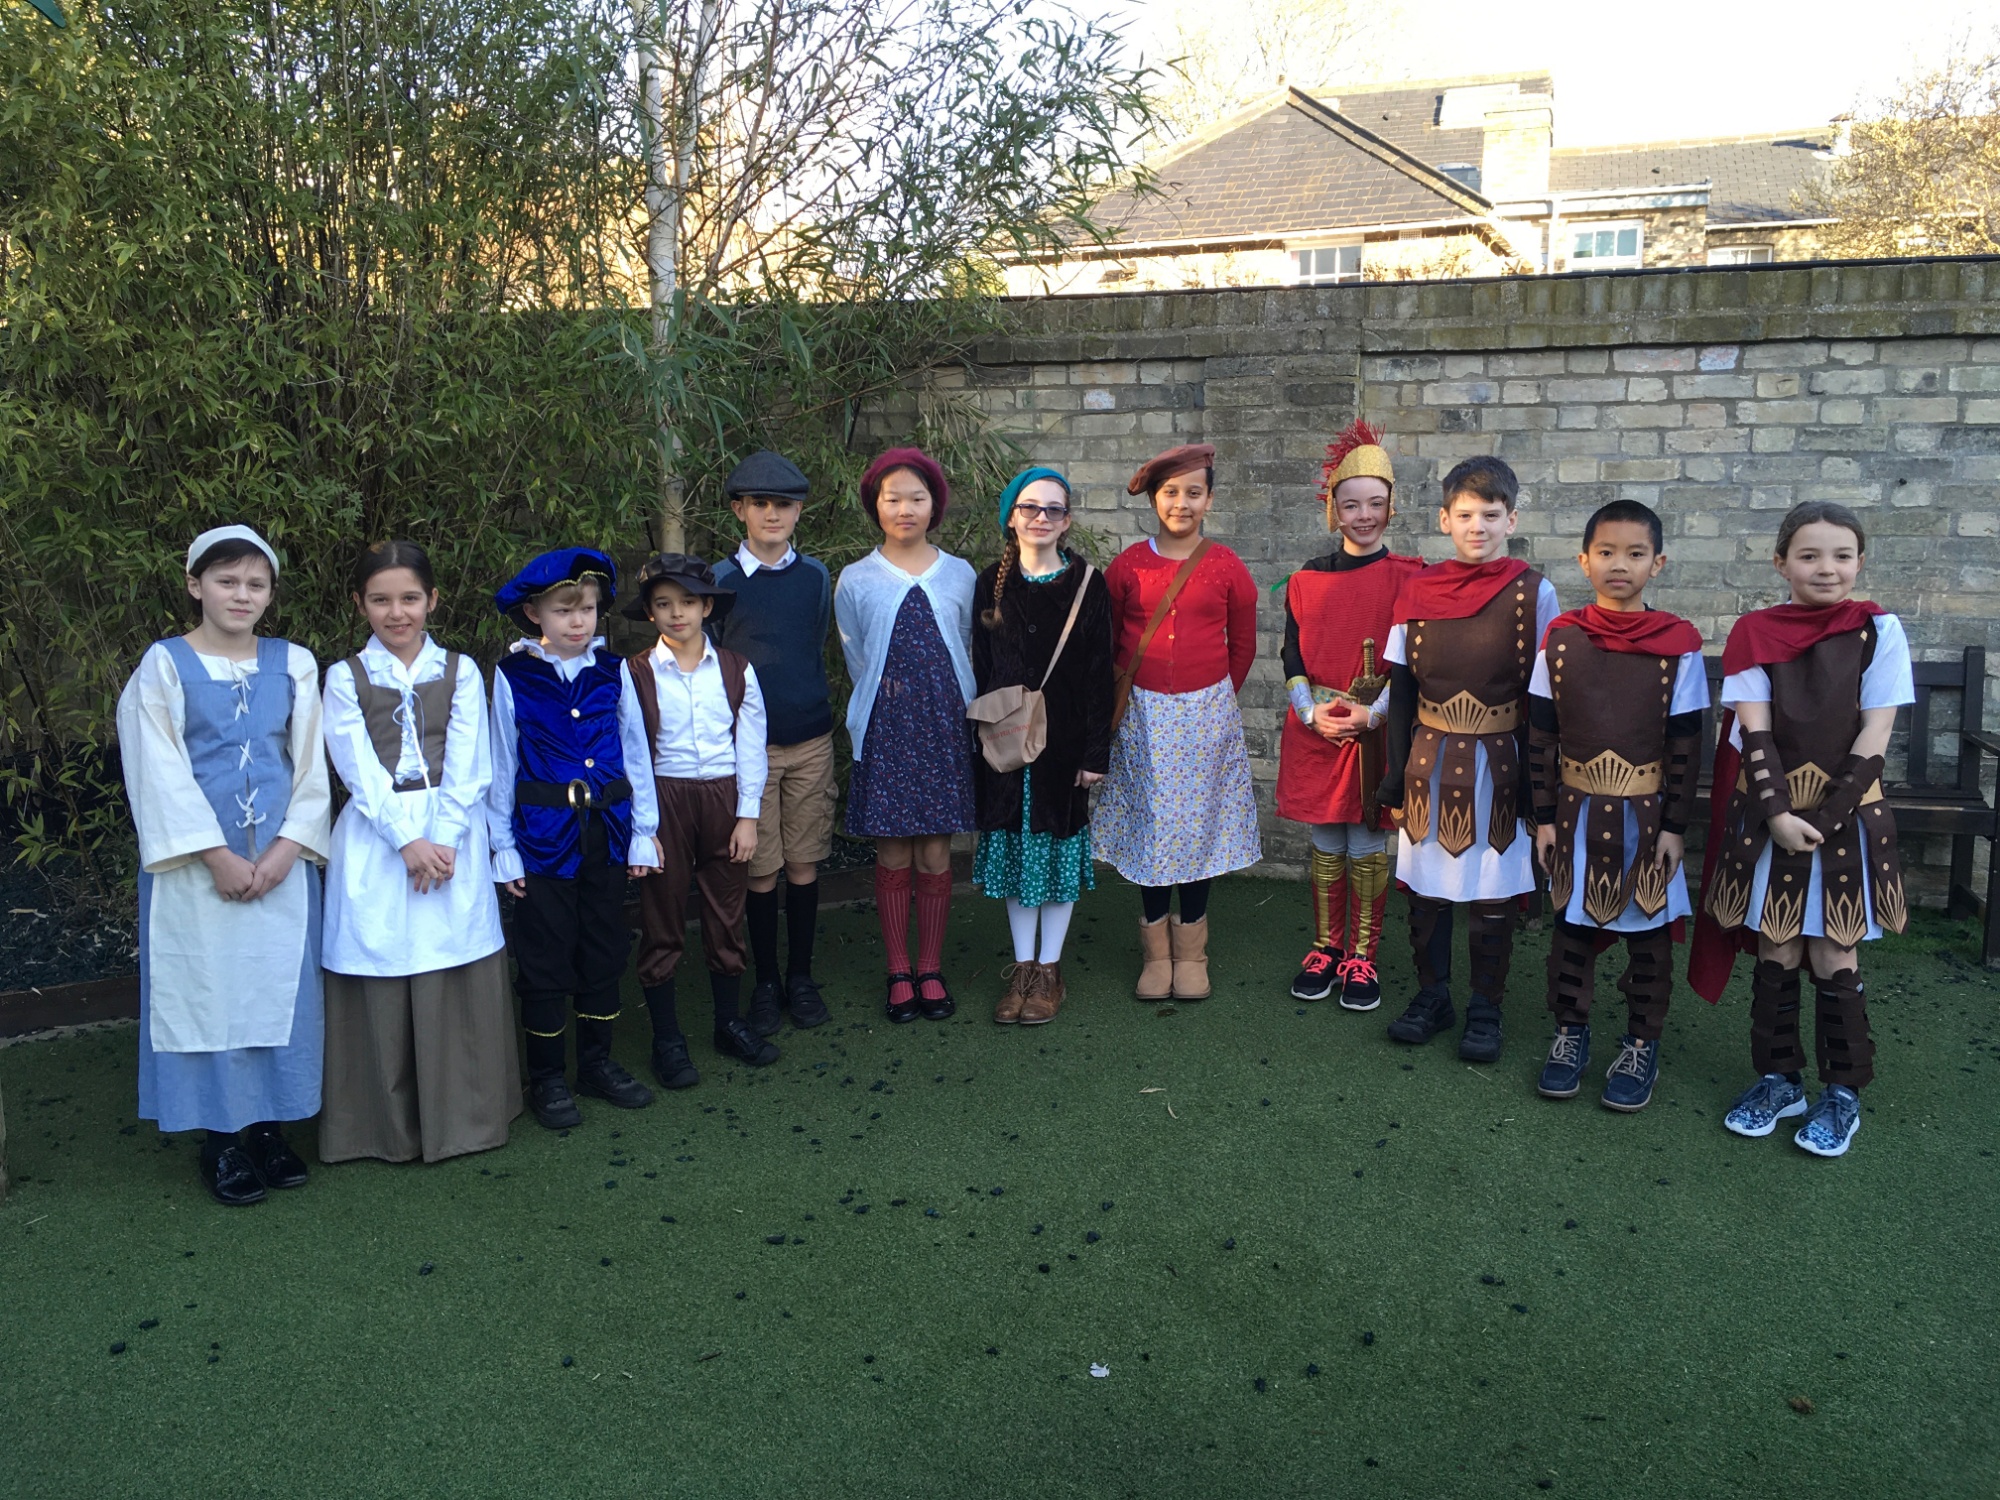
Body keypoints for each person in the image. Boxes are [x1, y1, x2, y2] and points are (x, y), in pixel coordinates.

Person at [117, 525, 331, 1206]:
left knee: (274, 989)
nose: (242, 595)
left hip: (279, 865)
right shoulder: (163, 665)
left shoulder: (294, 662)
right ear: (194, 584)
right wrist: (215, 857)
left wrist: (286, 849)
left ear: (271, 592)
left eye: (256, 583)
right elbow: (157, 769)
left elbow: (310, 764)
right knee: (207, 994)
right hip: (196, 871)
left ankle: (268, 1128)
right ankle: (220, 1141)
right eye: (226, 581)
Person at [1690, 500, 1912, 1158]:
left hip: (1848, 819)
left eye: (1842, 556)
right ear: (1781, 561)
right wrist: (1781, 815)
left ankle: (1841, 1093)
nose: (1827, 568)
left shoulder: (1879, 632)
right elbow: (1754, 732)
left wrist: (1823, 817)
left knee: (1833, 953)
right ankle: (1778, 1080)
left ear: (1860, 563)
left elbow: (1876, 735)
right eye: (1810, 555)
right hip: (1772, 813)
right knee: (1777, 948)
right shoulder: (1756, 632)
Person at [319, 541, 517, 1162]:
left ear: (432, 600)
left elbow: (470, 764)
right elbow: (354, 766)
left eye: (409, 598)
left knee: (450, 950)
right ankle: (383, 1127)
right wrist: (406, 841)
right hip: (379, 838)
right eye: (380, 600)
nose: (396, 612)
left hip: (451, 830)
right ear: (360, 604)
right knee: (382, 953)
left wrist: (447, 839)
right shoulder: (344, 676)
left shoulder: (459, 670)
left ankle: (465, 1115)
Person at [1376, 456, 1560, 1063]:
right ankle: (1434, 996)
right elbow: (1400, 691)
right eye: (1464, 514)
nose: (1476, 525)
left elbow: (1544, 698)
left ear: (1513, 518)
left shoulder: (1536, 591)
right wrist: (1396, 779)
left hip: (1501, 762)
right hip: (1428, 761)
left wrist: (1541, 793)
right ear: (1443, 519)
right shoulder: (1416, 589)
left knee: (1492, 892)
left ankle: (1486, 1004)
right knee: (1426, 890)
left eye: (1490, 514)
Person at [1527, 502, 1708, 1111]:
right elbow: (1542, 737)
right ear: (1585, 560)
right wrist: (1545, 817)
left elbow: (1687, 744)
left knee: (1650, 935)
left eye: (1635, 554)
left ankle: (1640, 1044)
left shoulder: (1678, 645)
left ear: (1658, 564)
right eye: (1606, 552)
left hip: (1648, 815)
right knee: (1572, 928)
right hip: (1576, 812)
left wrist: (1676, 827)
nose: (1619, 564)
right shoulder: (1560, 639)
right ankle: (1570, 1033)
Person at [487, 548, 662, 1129]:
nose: (578, 621)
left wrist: (643, 833)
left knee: (602, 947)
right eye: (564, 610)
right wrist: (503, 845)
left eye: (587, 608)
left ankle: (596, 1065)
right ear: (535, 613)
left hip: (606, 834)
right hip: (542, 839)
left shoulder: (613, 671)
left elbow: (635, 751)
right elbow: (501, 763)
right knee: (545, 953)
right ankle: (548, 1077)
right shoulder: (513, 677)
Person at [1097, 443, 1261, 1002]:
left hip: (1205, 715)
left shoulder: (1225, 566)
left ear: (1209, 500)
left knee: (1197, 827)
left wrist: (1211, 698)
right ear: (1153, 498)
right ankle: (1155, 953)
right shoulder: (1127, 566)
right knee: (1152, 823)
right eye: (1171, 492)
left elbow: (1242, 646)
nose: (1182, 503)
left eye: (1194, 492)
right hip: (1143, 716)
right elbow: (1113, 640)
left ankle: (1192, 952)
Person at [1277, 421, 1423, 1011]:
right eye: (1351, 503)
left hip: (1374, 733)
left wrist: (1372, 715)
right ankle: (1325, 947)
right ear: (1333, 508)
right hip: (1316, 728)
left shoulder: (1411, 578)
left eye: (1375, 504)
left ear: (1392, 507)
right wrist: (1310, 714)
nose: (1363, 515)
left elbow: (1413, 663)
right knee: (1324, 843)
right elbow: (1290, 655)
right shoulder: (1304, 578)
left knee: (1366, 841)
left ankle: (1363, 956)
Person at [835, 447, 977, 1023]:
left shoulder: (961, 573)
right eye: (892, 498)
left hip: (946, 725)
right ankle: (898, 970)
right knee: (893, 846)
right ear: (876, 505)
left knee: (937, 848)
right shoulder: (855, 578)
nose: (905, 508)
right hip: (888, 728)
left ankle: (931, 967)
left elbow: (969, 646)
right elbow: (855, 656)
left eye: (917, 497)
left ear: (934, 506)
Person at [970, 467, 1115, 1025]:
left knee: (1055, 853)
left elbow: (1100, 673)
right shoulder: (992, 582)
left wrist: (1093, 755)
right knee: (1013, 853)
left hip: (1064, 747)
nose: (1041, 518)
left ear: (1067, 520)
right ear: (1011, 516)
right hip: (1005, 745)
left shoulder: (1086, 583)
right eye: (1030, 507)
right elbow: (983, 666)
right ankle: (1022, 966)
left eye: (1054, 509)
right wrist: (978, 742)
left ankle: (1049, 970)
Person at [626, 553, 776, 1084]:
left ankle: (727, 1023)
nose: (676, 613)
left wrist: (747, 816)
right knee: (662, 917)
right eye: (663, 604)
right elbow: (634, 754)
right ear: (649, 612)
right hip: (664, 799)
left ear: (707, 607)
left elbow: (751, 746)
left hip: (724, 797)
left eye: (688, 602)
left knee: (726, 912)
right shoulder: (634, 672)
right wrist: (644, 830)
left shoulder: (737, 668)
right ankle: (667, 1039)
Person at [710, 452, 836, 1035]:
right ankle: (765, 981)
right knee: (760, 870)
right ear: (740, 510)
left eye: (783, 504)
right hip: (748, 751)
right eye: (759, 503)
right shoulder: (717, 582)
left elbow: (813, 643)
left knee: (804, 862)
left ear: (799, 511)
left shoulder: (815, 576)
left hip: (810, 738)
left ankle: (802, 977)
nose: (772, 513)